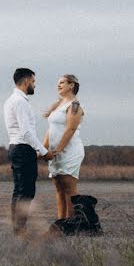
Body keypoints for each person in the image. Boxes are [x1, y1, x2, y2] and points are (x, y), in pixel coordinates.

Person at [4, 68, 57, 235]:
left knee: (20, 189)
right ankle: (20, 229)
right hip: (22, 148)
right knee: (26, 191)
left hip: (18, 148)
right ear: (26, 81)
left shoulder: (12, 100)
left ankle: (18, 228)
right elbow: (26, 132)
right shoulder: (19, 102)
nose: (34, 85)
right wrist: (43, 151)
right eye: (33, 82)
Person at [42, 74, 85, 220]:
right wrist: (42, 149)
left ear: (71, 85)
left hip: (69, 151)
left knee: (69, 188)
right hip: (54, 152)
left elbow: (70, 129)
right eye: (57, 83)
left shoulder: (74, 105)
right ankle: (61, 223)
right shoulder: (58, 104)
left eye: (62, 82)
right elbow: (50, 129)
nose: (58, 85)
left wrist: (59, 150)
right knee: (59, 188)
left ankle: (72, 224)